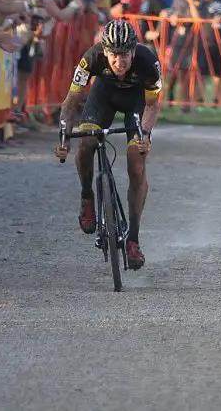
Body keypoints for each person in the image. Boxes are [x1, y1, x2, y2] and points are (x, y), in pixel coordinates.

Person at [54, 20, 163, 270]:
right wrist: (63, 136)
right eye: (113, 55)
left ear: (134, 51)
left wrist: (144, 135)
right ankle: (87, 196)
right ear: (105, 51)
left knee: (136, 165)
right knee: (86, 142)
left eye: (125, 55)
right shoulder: (90, 58)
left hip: (136, 101)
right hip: (103, 96)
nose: (119, 62)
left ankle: (133, 240)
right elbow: (71, 102)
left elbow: (152, 105)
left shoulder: (148, 63)